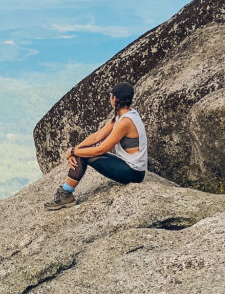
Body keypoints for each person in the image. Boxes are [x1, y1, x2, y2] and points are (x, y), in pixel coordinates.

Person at [44, 81, 148, 210]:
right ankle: (66, 193)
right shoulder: (124, 115)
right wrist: (75, 149)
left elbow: (101, 149)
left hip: (133, 173)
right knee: (82, 152)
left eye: (111, 96)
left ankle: (65, 194)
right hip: (130, 167)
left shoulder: (126, 122)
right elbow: (98, 136)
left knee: (85, 155)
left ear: (115, 99)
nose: (110, 99)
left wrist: (74, 152)